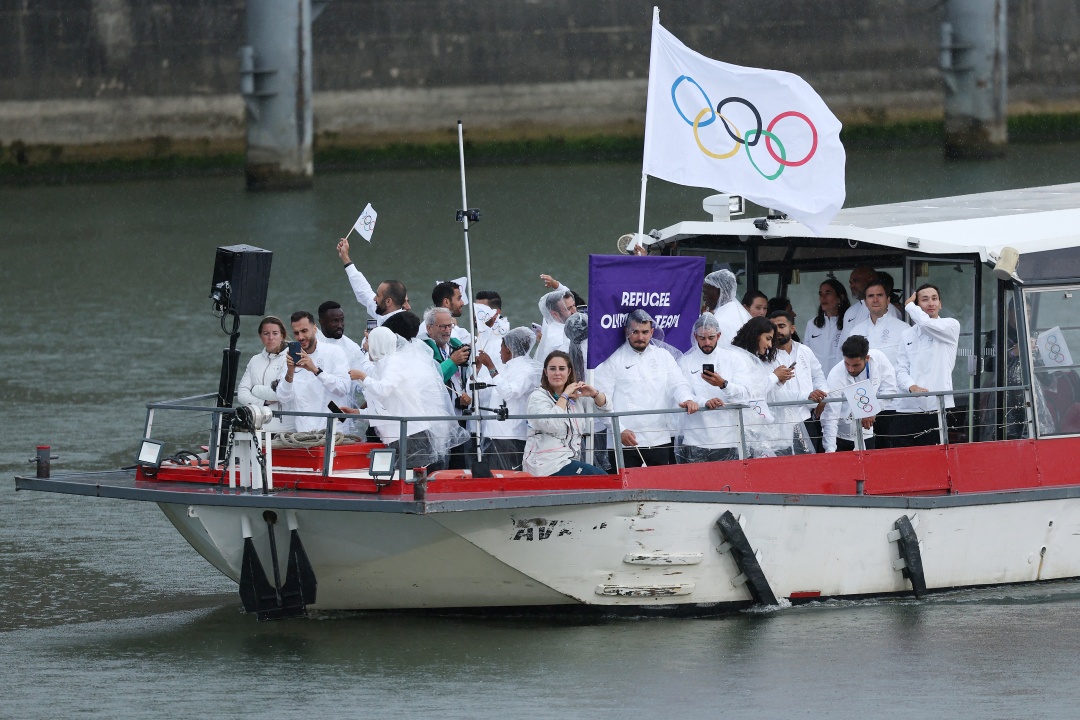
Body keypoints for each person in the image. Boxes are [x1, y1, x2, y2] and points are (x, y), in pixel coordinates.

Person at [348, 326, 467, 469]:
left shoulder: (395, 361)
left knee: (412, 478)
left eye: (370, 343)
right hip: (396, 436)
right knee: (402, 478)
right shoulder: (381, 365)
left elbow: (384, 389)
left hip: (411, 434)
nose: (367, 347)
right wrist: (358, 413)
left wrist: (362, 377)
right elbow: (387, 407)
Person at [593, 310, 699, 468]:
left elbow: (678, 384)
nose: (640, 337)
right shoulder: (612, 359)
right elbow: (602, 403)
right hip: (623, 442)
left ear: (652, 332)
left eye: (645, 332)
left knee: (661, 490)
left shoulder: (663, 356)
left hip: (659, 440)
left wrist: (687, 399)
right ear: (626, 331)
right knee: (626, 493)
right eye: (635, 332)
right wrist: (618, 430)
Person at [675, 313, 753, 463]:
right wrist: (704, 402)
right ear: (695, 337)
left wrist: (723, 384)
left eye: (711, 338)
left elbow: (746, 394)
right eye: (702, 338)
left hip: (729, 438)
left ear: (719, 335)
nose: (707, 343)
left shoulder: (734, 359)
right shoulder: (685, 362)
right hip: (695, 438)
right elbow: (682, 391)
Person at [892, 283, 961, 447]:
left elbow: (926, 324)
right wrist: (911, 386)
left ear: (941, 304)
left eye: (934, 299)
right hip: (907, 407)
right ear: (918, 306)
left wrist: (909, 307)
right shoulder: (906, 334)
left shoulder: (950, 325)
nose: (931, 303)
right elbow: (900, 369)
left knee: (933, 460)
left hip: (936, 406)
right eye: (924, 300)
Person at [523, 350, 610, 476]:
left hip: (570, 461)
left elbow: (606, 408)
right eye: (552, 369)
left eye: (562, 368)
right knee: (601, 478)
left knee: (601, 479)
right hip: (546, 466)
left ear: (568, 372)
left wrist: (593, 393)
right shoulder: (537, 397)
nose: (557, 373)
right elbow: (552, 424)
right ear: (545, 372)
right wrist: (564, 396)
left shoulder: (575, 396)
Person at [474, 327, 541, 471]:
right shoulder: (504, 368)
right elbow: (482, 391)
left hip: (512, 435)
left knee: (509, 478)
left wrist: (491, 366)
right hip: (493, 433)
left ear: (509, 349)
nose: (499, 352)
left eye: (501, 347)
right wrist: (477, 371)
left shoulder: (526, 370)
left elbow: (508, 392)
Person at [276, 311, 353, 434]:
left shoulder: (334, 352)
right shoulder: (290, 357)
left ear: (315, 329)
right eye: (296, 333)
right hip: (304, 433)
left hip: (335, 431)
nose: (300, 337)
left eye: (304, 331)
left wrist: (315, 370)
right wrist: (290, 371)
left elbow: (343, 388)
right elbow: (283, 398)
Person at [730, 316, 795, 456]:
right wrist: (774, 377)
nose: (770, 345)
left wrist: (777, 383)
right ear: (755, 335)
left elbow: (762, 392)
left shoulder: (755, 359)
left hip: (756, 430)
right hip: (741, 430)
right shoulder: (737, 357)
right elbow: (749, 393)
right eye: (768, 338)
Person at [822, 335, 899, 452]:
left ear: (867, 358)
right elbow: (831, 416)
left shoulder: (879, 359)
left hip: (867, 434)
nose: (851, 369)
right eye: (847, 364)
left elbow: (890, 390)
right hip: (841, 437)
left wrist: (872, 410)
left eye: (856, 365)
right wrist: (830, 449)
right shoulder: (835, 376)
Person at [768, 310, 828, 453]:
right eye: (773, 327)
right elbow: (773, 392)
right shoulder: (766, 356)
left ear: (792, 328)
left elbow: (819, 376)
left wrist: (824, 395)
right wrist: (807, 396)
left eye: (781, 326)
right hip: (780, 423)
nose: (777, 331)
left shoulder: (804, 350)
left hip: (806, 418)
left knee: (810, 467)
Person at [422, 306, 473, 468]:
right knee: (438, 466)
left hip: (459, 417)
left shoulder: (457, 345)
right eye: (442, 326)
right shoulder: (422, 349)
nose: (447, 330)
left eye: (450, 326)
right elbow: (429, 381)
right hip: (436, 422)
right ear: (429, 328)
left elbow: (469, 376)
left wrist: (467, 395)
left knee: (459, 468)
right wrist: (452, 362)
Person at [236, 315, 295, 432]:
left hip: (285, 429)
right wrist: (263, 402)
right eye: (266, 333)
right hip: (257, 426)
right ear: (260, 336)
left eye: (275, 333)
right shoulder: (255, 360)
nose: (270, 338)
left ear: (282, 335)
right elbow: (241, 393)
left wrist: (255, 389)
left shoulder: (290, 358)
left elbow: (281, 393)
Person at [336, 236, 409, 326]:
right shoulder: (384, 312)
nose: (374, 298)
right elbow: (363, 292)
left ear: (389, 302)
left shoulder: (402, 327)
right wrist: (345, 257)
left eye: (378, 295)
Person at [839, 267, 903, 344]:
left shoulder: (888, 309)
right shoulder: (850, 312)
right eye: (850, 282)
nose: (851, 286)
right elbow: (842, 345)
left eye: (856, 281)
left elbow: (892, 342)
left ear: (870, 280)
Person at [805, 278, 851, 375]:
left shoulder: (849, 323)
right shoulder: (812, 324)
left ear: (840, 297)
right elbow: (806, 355)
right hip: (817, 382)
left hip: (841, 379)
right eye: (820, 294)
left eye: (828, 293)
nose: (823, 297)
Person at [534, 274, 577, 362]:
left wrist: (555, 284)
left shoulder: (553, 321)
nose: (574, 311)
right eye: (569, 309)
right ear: (555, 314)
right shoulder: (557, 339)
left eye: (574, 305)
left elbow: (567, 296)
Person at [704, 269, 751, 346]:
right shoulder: (739, 311)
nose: (704, 298)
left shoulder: (719, 321)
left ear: (718, 291)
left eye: (705, 292)